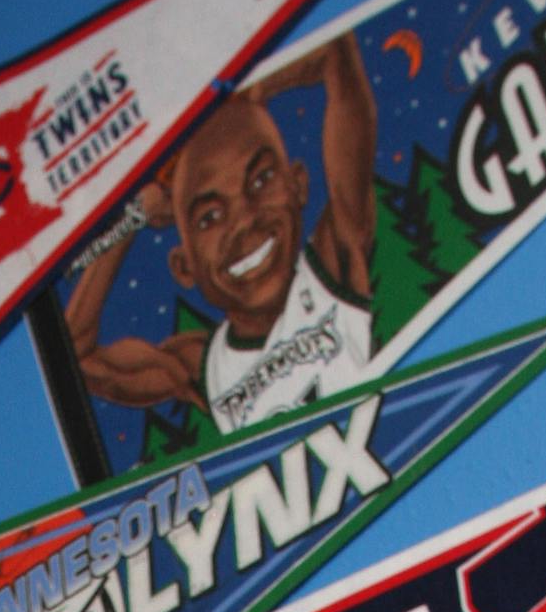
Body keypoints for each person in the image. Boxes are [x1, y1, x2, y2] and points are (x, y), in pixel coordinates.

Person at [64, 39, 378, 438]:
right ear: (184, 267)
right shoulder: (202, 364)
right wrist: (135, 216)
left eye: (261, 180)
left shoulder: (334, 265)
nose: (244, 221)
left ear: (298, 185)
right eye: (209, 217)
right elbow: (74, 356)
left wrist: (254, 88)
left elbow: (337, 55)